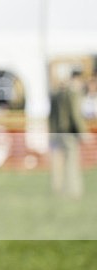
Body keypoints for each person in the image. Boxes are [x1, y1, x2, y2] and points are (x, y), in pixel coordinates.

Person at [49, 69, 87, 199]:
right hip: (69, 133)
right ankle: (73, 191)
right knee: (71, 163)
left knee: (58, 163)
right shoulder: (73, 94)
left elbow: (52, 116)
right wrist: (83, 133)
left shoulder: (55, 94)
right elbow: (76, 115)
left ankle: (58, 188)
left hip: (58, 133)